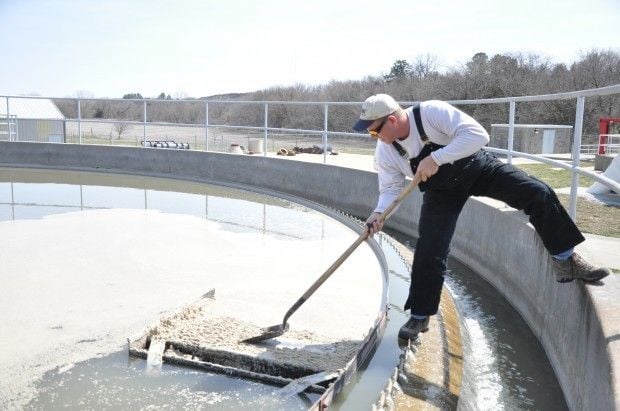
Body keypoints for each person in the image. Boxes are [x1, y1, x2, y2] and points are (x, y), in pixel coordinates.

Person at [352, 94, 610, 342]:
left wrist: (436, 158)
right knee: (430, 249)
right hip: (440, 191)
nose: (374, 137)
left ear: (392, 120)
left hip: (477, 167)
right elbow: (390, 190)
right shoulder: (386, 151)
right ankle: (420, 315)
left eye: (374, 131)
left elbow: (478, 135)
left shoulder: (431, 112)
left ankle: (565, 259)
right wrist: (379, 213)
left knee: (538, 193)